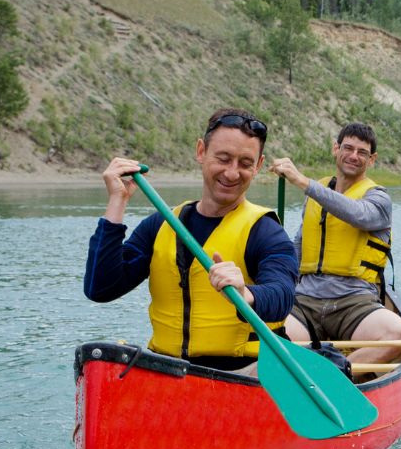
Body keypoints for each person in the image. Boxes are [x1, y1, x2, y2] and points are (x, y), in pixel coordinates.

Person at [85, 109, 298, 371]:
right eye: (223, 158)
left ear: (258, 166)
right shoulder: (160, 225)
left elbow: (283, 296)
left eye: (245, 163)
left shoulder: (265, 231)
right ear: (201, 151)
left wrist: (245, 294)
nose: (232, 173)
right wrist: (117, 201)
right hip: (168, 369)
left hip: (243, 371)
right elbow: (100, 288)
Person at [268, 121, 401, 366]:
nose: (354, 156)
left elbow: (357, 214)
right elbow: (299, 248)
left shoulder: (379, 199)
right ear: (336, 149)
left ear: (372, 159)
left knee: (399, 334)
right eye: (348, 148)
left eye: (362, 152)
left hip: (354, 300)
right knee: (268, 336)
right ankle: (313, 371)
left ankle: (340, 372)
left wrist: (303, 182)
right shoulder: (315, 196)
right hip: (306, 301)